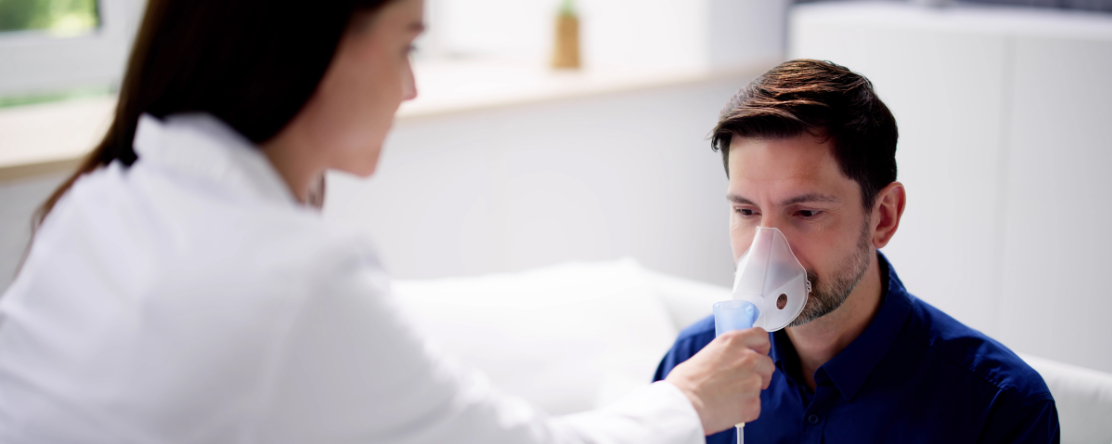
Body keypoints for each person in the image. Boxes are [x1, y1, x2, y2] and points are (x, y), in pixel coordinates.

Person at [0, 0, 776, 442]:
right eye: (406, 43)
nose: (410, 87)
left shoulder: (100, 204)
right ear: (313, 43)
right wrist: (687, 401)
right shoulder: (290, 282)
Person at [653, 60, 1060, 443]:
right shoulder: (694, 364)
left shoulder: (998, 408)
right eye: (746, 210)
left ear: (883, 217)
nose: (767, 250)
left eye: (806, 212)